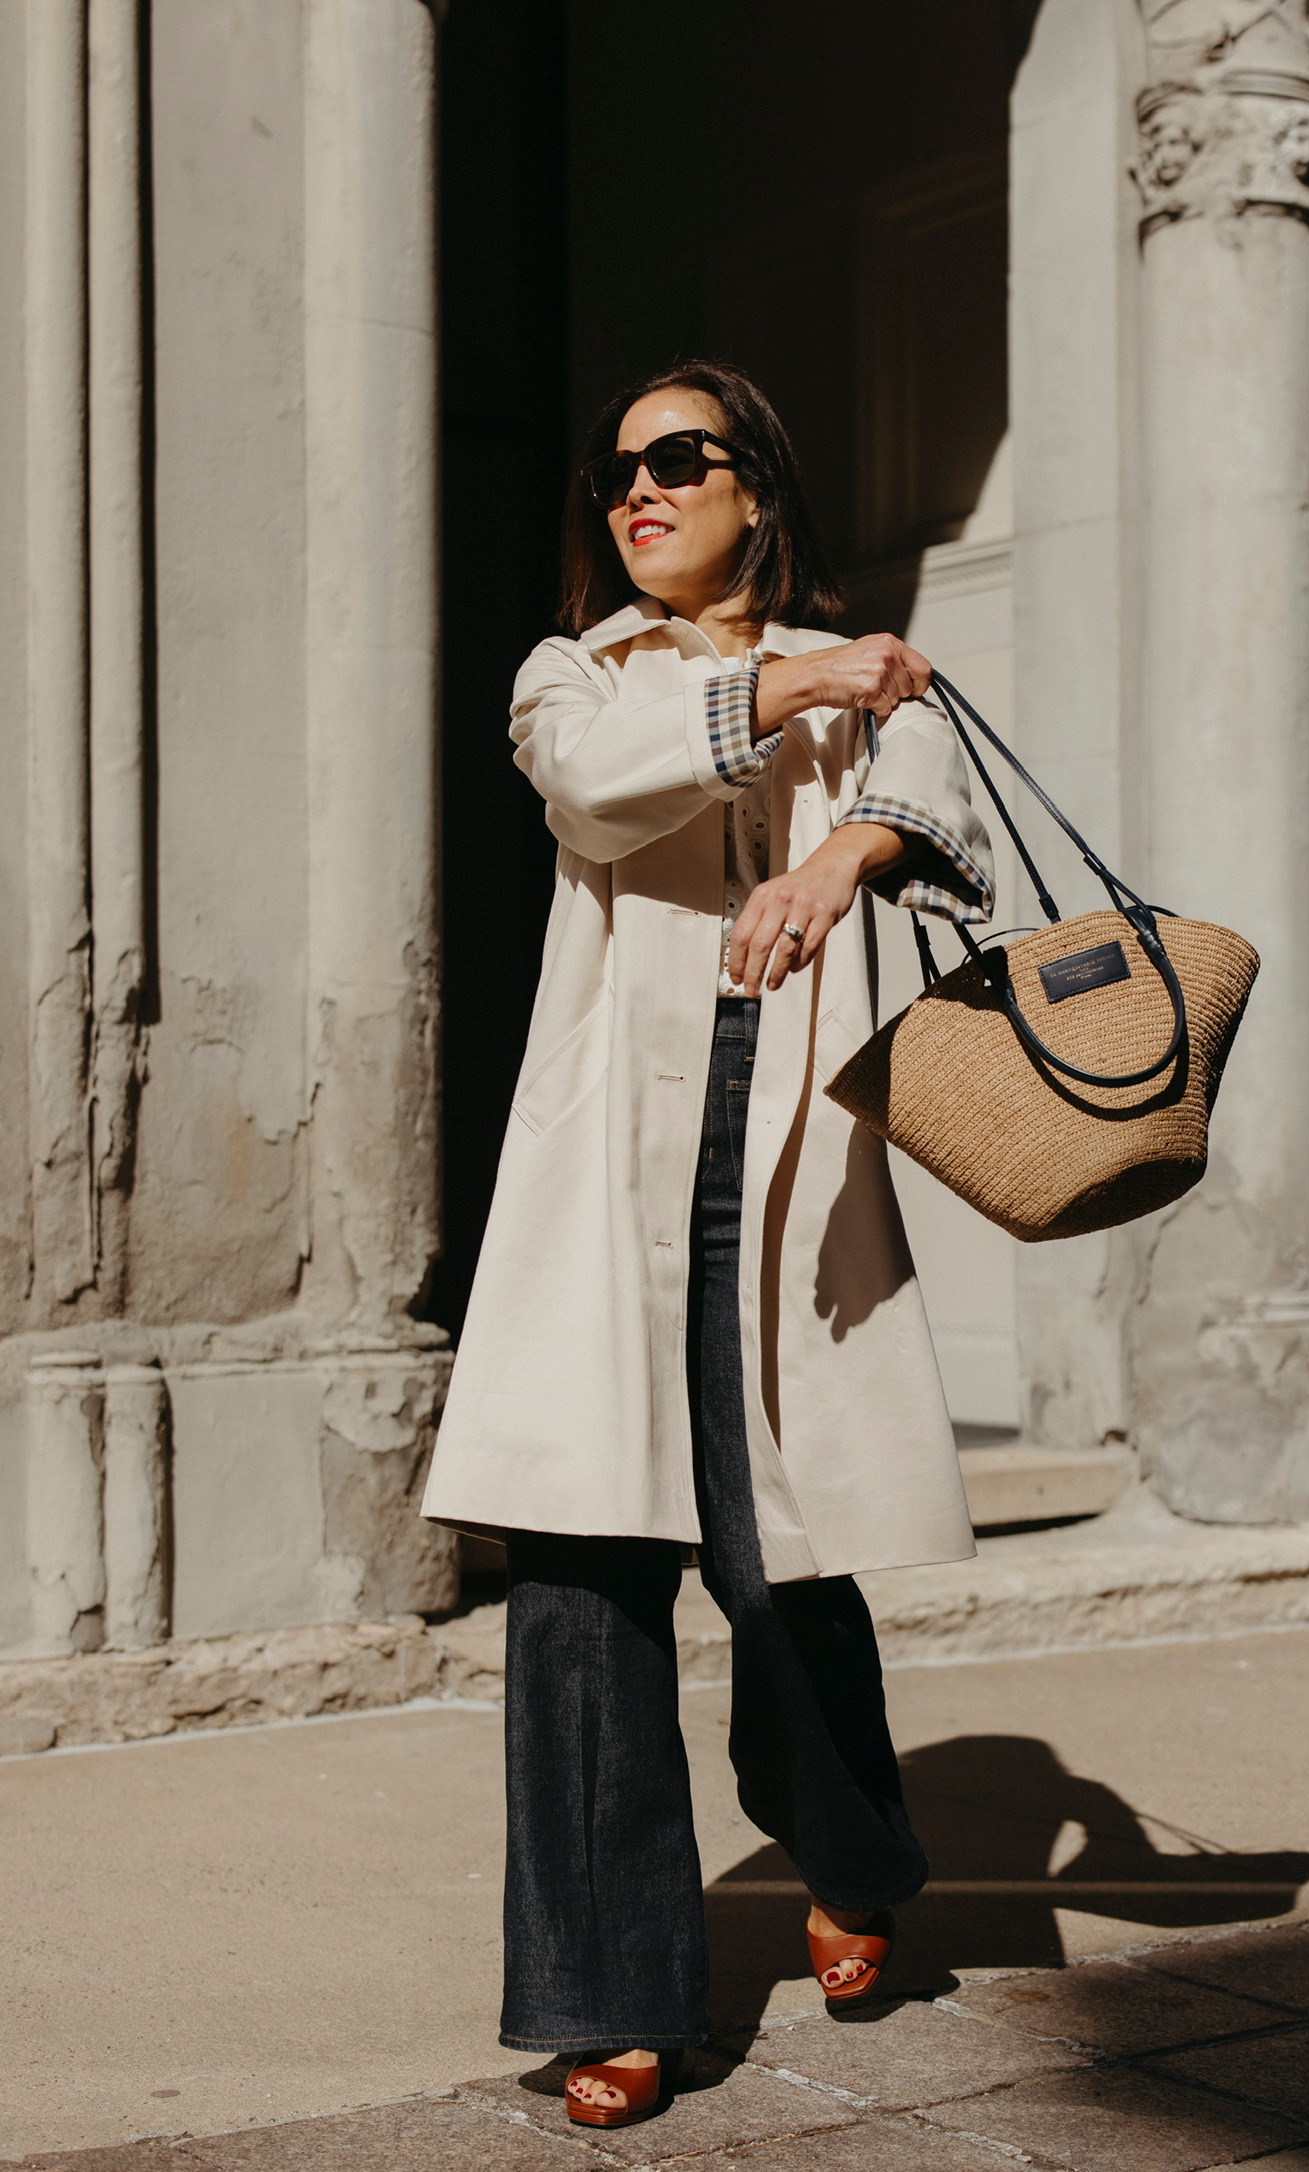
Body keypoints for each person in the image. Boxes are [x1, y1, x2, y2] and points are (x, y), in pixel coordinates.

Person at [421, 359, 995, 2129]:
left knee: (785, 1568)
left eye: (682, 460)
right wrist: (794, 683)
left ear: (760, 486)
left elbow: (935, 790)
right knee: (584, 1584)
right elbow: (597, 794)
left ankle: (852, 1856)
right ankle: (611, 1988)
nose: (641, 491)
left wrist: (845, 858)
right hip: (610, 1189)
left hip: (790, 1177)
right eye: (617, 476)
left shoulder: (867, 680)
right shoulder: (571, 676)